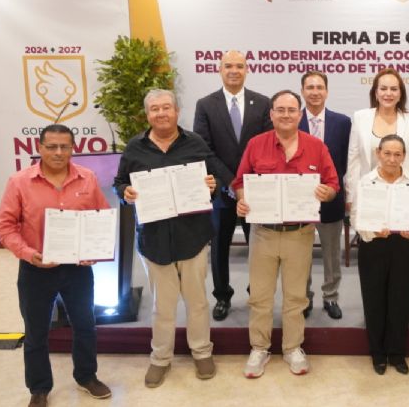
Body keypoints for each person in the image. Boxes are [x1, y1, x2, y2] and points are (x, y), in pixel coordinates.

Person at [0, 124, 112, 407]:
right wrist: (28, 253)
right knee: (36, 331)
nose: (58, 153)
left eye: (64, 147)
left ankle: (86, 376)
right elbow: (4, 227)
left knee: (85, 325)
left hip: (78, 270)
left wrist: (94, 251)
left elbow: (102, 218)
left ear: (72, 148)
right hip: (36, 269)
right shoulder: (19, 182)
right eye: (52, 147)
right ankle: (39, 388)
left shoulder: (88, 178)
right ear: (39, 148)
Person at [114, 89, 221, 388]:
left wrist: (212, 185)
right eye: (154, 109)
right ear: (147, 114)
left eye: (166, 108)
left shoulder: (195, 143)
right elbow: (120, 182)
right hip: (154, 240)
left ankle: (202, 352)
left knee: (197, 301)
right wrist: (125, 192)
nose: (161, 113)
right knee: (162, 305)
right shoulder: (135, 147)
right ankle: (160, 358)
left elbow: (214, 178)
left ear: (176, 111)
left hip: (193, 237)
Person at [232, 90, 339, 378]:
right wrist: (242, 199)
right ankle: (259, 348)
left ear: (300, 114)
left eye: (292, 110)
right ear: (271, 114)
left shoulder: (316, 146)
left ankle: (293, 348)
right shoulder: (257, 144)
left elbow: (332, 185)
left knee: (295, 296)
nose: (286, 115)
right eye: (280, 110)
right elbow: (240, 180)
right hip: (263, 233)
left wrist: (326, 192)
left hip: (300, 234)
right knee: (260, 296)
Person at [193, 49, 272, 321]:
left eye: (239, 66)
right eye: (229, 66)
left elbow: (266, 148)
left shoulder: (262, 103)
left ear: (247, 70)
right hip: (221, 190)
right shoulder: (205, 104)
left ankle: (256, 293)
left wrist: (246, 183)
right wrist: (231, 182)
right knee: (219, 247)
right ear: (220, 69)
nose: (234, 70)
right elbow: (204, 149)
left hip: (254, 190)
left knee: (259, 247)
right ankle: (222, 296)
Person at [352, 134, 409, 375]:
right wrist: (371, 230)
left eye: (398, 154)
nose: (392, 158)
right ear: (378, 153)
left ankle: (397, 353)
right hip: (373, 246)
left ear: (404, 157)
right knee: (374, 300)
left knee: (400, 299)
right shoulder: (366, 182)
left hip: (404, 246)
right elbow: (356, 215)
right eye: (387, 153)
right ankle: (377, 353)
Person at [299, 71, 351, 320]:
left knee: (332, 254)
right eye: (310, 87)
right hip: (299, 201)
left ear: (327, 91)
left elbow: (346, 162)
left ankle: (331, 297)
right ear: (302, 91)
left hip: (332, 198)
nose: (315, 91)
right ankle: (304, 297)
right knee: (302, 255)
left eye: (320, 87)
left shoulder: (342, 123)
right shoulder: (291, 120)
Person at [346, 68, 409, 215]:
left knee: (403, 236)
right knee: (371, 236)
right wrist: (351, 195)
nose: (388, 93)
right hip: (369, 193)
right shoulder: (360, 117)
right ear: (376, 93)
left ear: (400, 94)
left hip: (403, 191)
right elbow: (354, 159)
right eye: (383, 88)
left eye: (394, 89)